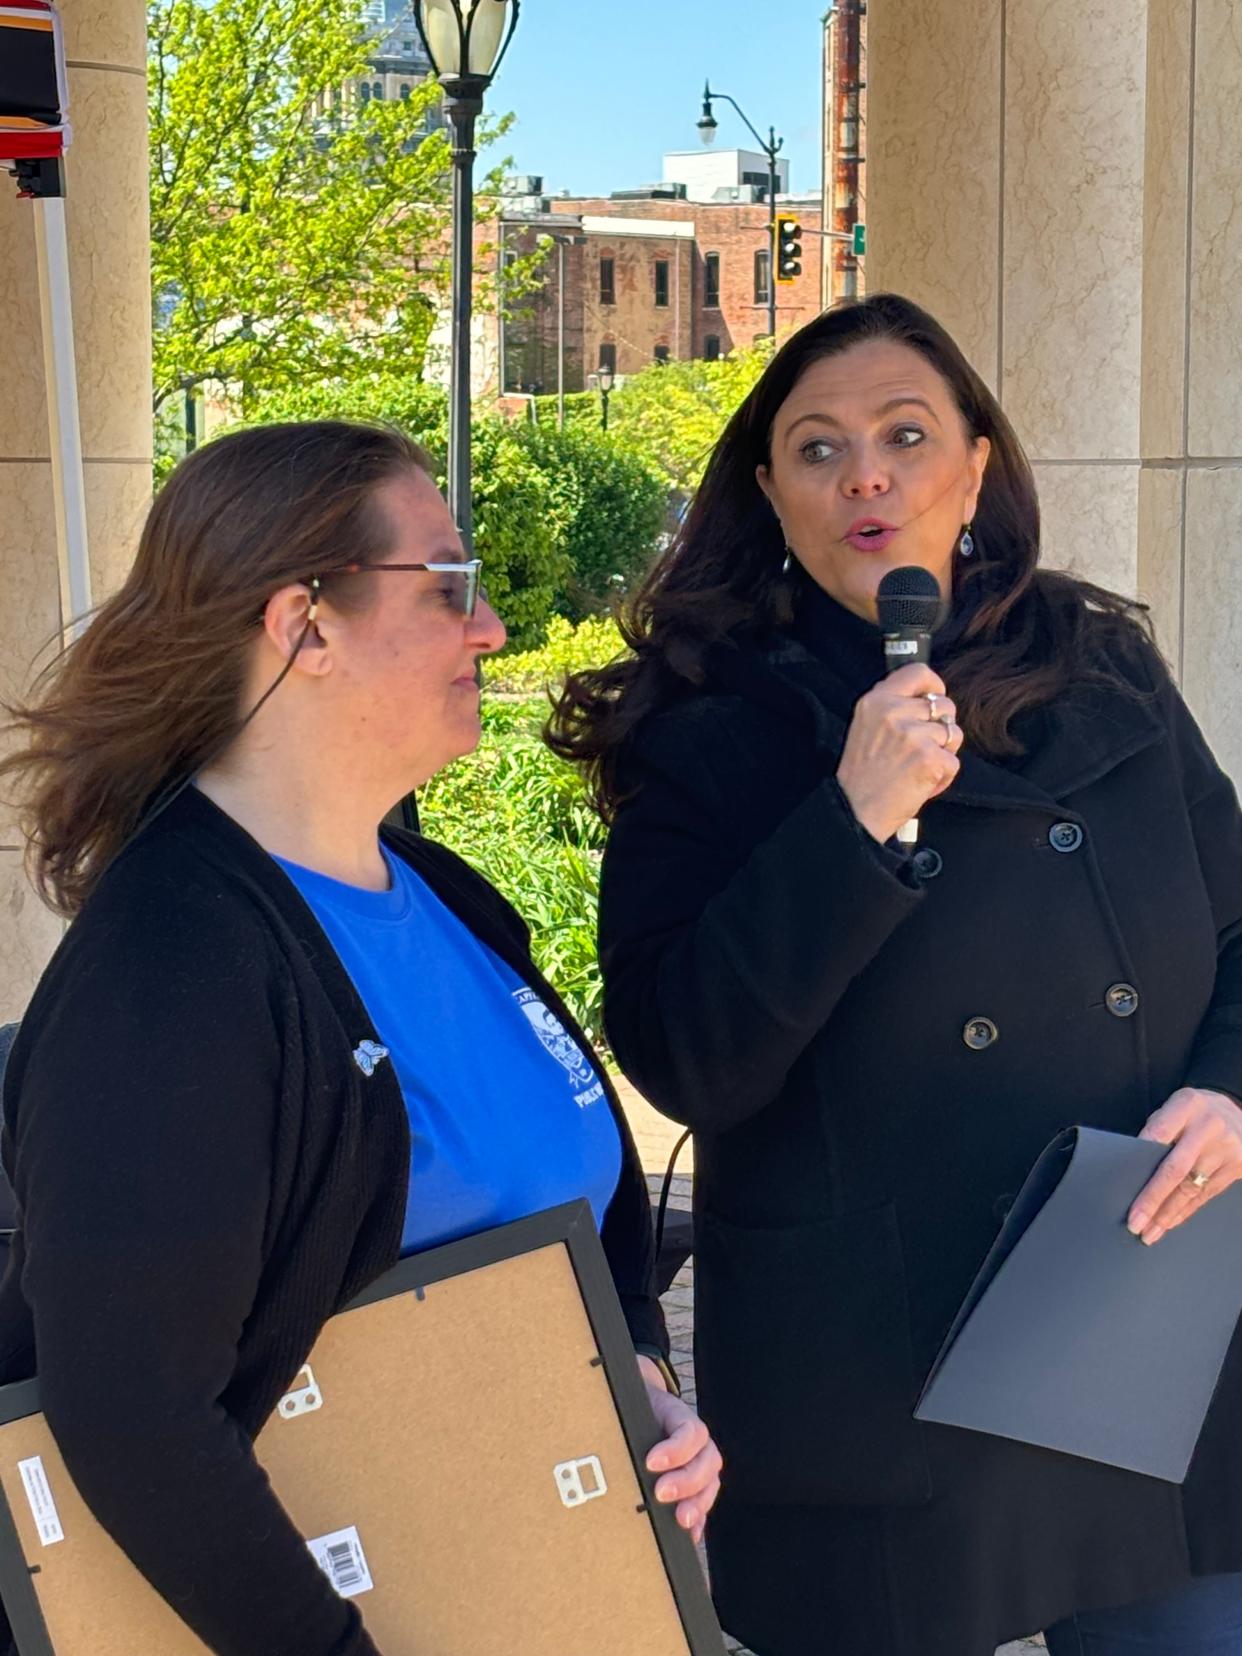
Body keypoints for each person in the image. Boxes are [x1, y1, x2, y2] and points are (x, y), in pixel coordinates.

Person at [547, 294, 1242, 1656]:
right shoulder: (702, 726)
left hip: (1138, 1311)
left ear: (975, 465)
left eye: (904, 435)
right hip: (877, 1356)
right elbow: (686, 1056)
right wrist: (848, 822)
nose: (863, 475)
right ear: (768, 492)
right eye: (816, 448)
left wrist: (1225, 1096)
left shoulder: (1101, 664)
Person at [0, 421, 721, 1656]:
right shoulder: (175, 966)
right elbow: (130, 1415)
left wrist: (637, 1372)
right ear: (305, 626)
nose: (488, 627)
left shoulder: (439, 893)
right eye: (447, 587)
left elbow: (573, 1212)